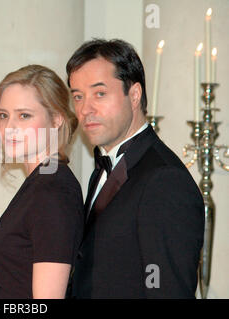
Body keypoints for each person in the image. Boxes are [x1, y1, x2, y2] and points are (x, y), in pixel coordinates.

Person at [66, 39, 204, 298]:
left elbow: (168, 291)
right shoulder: (101, 171)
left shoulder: (165, 180)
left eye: (100, 93)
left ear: (134, 95)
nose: (85, 109)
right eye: (78, 97)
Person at [0, 64, 84, 299]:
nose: (9, 128)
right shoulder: (42, 183)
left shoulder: (53, 190)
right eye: (3, 116)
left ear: (56, 119)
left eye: (24, 116)